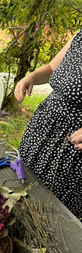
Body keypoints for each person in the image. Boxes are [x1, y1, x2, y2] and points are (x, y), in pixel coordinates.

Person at [14, 32, 82, 219]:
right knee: (20, 190)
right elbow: (52, 67)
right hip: (44, 127)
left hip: (73, 149)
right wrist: (32, 77)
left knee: (54, 217)